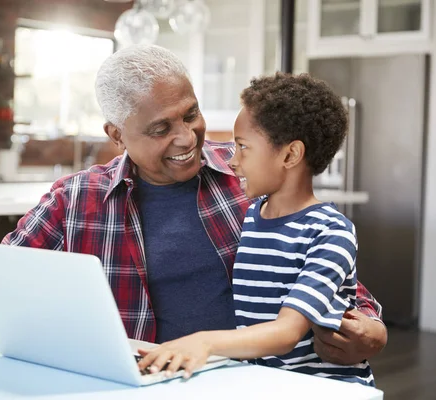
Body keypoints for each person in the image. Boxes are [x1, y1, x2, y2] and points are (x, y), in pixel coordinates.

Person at [0, 45, 387, 366]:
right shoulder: (74, 201)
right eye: (161, 128)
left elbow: (328, 276)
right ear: (118, 135)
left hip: (248, 379)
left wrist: (371, 328)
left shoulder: (250, 178)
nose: (186, 137)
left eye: (191, 113)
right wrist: (60, 335)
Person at [137, 73, 376, 386]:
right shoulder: (253, 216)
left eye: (243, 147)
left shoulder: (331, 231)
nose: (233, 162)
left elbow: (286, 333)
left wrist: (203, 342)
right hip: (266, 383)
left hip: (324, 387)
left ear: (290, 155)